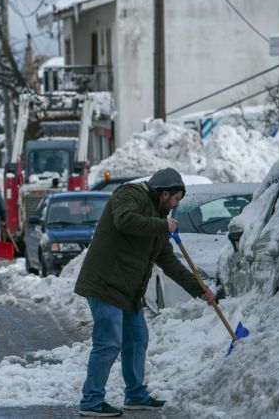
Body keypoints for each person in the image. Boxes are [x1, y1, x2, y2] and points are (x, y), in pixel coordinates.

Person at [74, 168, 216, 417]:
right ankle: (91, 400)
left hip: (128, 290)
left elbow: (169, 262)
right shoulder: (130, 194)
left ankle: (136, 395)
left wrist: (200, 289)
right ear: (163, 193)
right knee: (108, 343)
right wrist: (162, 225)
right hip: (104, 283)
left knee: (137, 339)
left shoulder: (159, 219)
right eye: (175, 198)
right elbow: (124, 220)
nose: (176, 204)